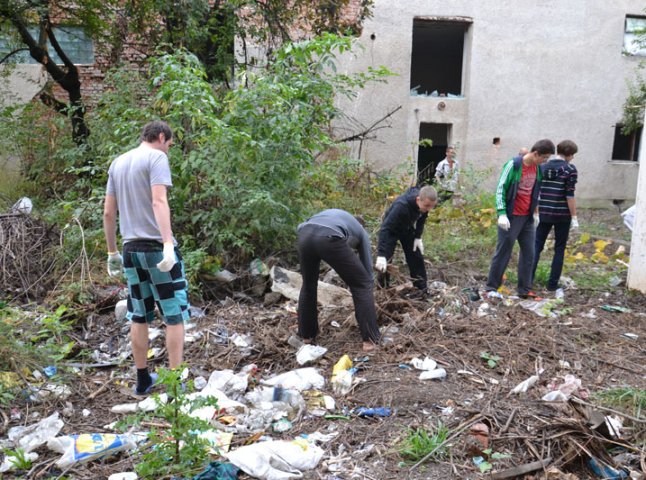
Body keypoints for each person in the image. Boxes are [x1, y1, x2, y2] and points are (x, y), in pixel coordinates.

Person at [103, 120, 190, 395]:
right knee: (174, 315)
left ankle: (142, 380)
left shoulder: (118, 163)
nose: (168, 151)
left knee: (139, 315)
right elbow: (159, 201)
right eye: (170, 145)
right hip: (156, 250)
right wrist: (167, 244)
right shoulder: (156, 157)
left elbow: (108, 212)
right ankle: (175, 385)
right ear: (162, 137)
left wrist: (111, 251)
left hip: (130, 251)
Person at [296, 209, 381, 352]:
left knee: (308, 285)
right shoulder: (361, 233)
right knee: (362, 284)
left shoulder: (337, 217)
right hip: (329, 237)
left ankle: (307, 336)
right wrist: (369, 288)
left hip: (304, 234)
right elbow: (367, 270)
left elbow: (302, 227)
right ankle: (370, 340)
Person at [485, 139, 555, 298]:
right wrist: (502, 213)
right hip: (511, 216)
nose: (545, 161)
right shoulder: (514, 165)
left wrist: (536, 212)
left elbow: (535, 192)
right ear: (535, 153)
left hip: (527, 218)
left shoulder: (538, 169)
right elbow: (500, 188)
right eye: (544, 158)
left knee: (529, 253)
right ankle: (491, 287)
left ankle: (524, 289)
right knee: (503, 252)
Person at [531, 140, 579, 291]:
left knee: (536, 246)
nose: (572, 158)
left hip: (543, 213)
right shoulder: (570, 169)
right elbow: (569, 195)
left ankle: (528, 281)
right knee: (559, 249)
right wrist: (574, 217)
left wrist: (536, 211)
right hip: (562, 215)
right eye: (573, 155)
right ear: (570, 154)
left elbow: (536, 191)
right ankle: (552, 285)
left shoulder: (542, 166)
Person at [375, 185, 437, 293]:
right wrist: (381, 254)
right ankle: (383, 291)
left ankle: (421, 290)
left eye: (432, 206)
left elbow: (422, 217)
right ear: (418, 199)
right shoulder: (401, 206)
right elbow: (385, 228)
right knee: (385, 262)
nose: (429, 209)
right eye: (427, 206)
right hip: (392, 230)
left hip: (406, 228)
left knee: (416, 256)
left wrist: (418, 237)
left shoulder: (425, 203)